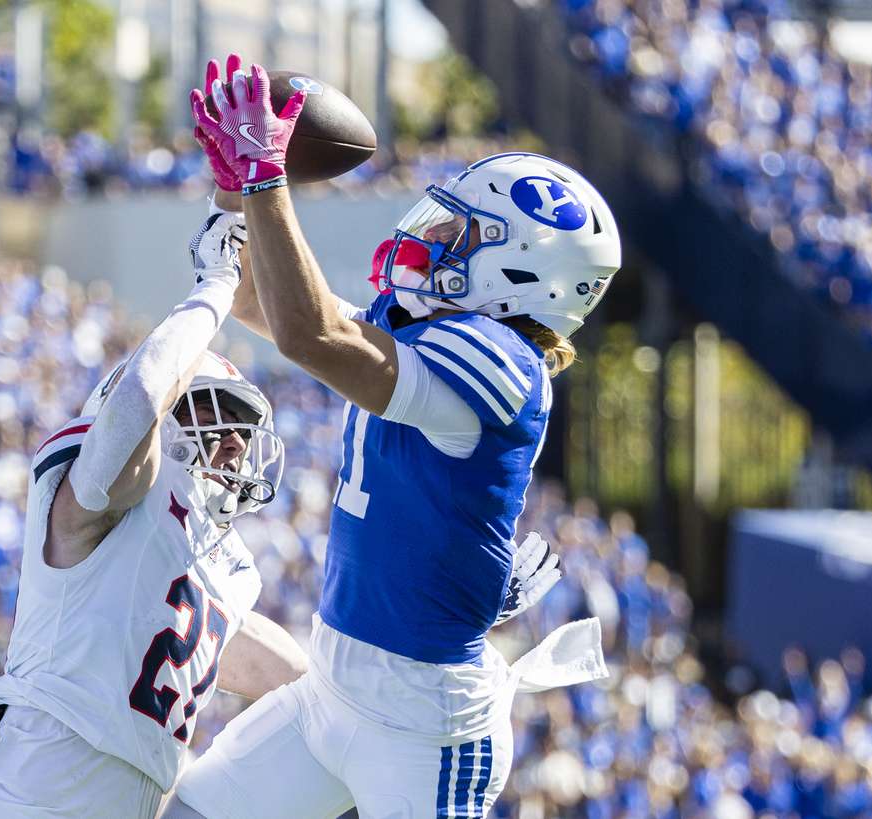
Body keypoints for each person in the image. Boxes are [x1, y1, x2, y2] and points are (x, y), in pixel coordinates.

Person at [164, 57, 620, 818]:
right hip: (333, 690)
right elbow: (260, 300)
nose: (435, 237)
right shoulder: (434, 331)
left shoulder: (504, 364)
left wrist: (268, 178)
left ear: (518, 273)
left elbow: (314, 335)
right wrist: (232, 185)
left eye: (464, 233)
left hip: (425, 729)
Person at [0, 210, 309, 818]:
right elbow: (139, 399)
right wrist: (215, 286)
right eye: (219, 415)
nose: (236, 444)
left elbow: (308, 685)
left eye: (245, 431)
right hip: (26, 798)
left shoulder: (216, 573)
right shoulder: (120, 490)